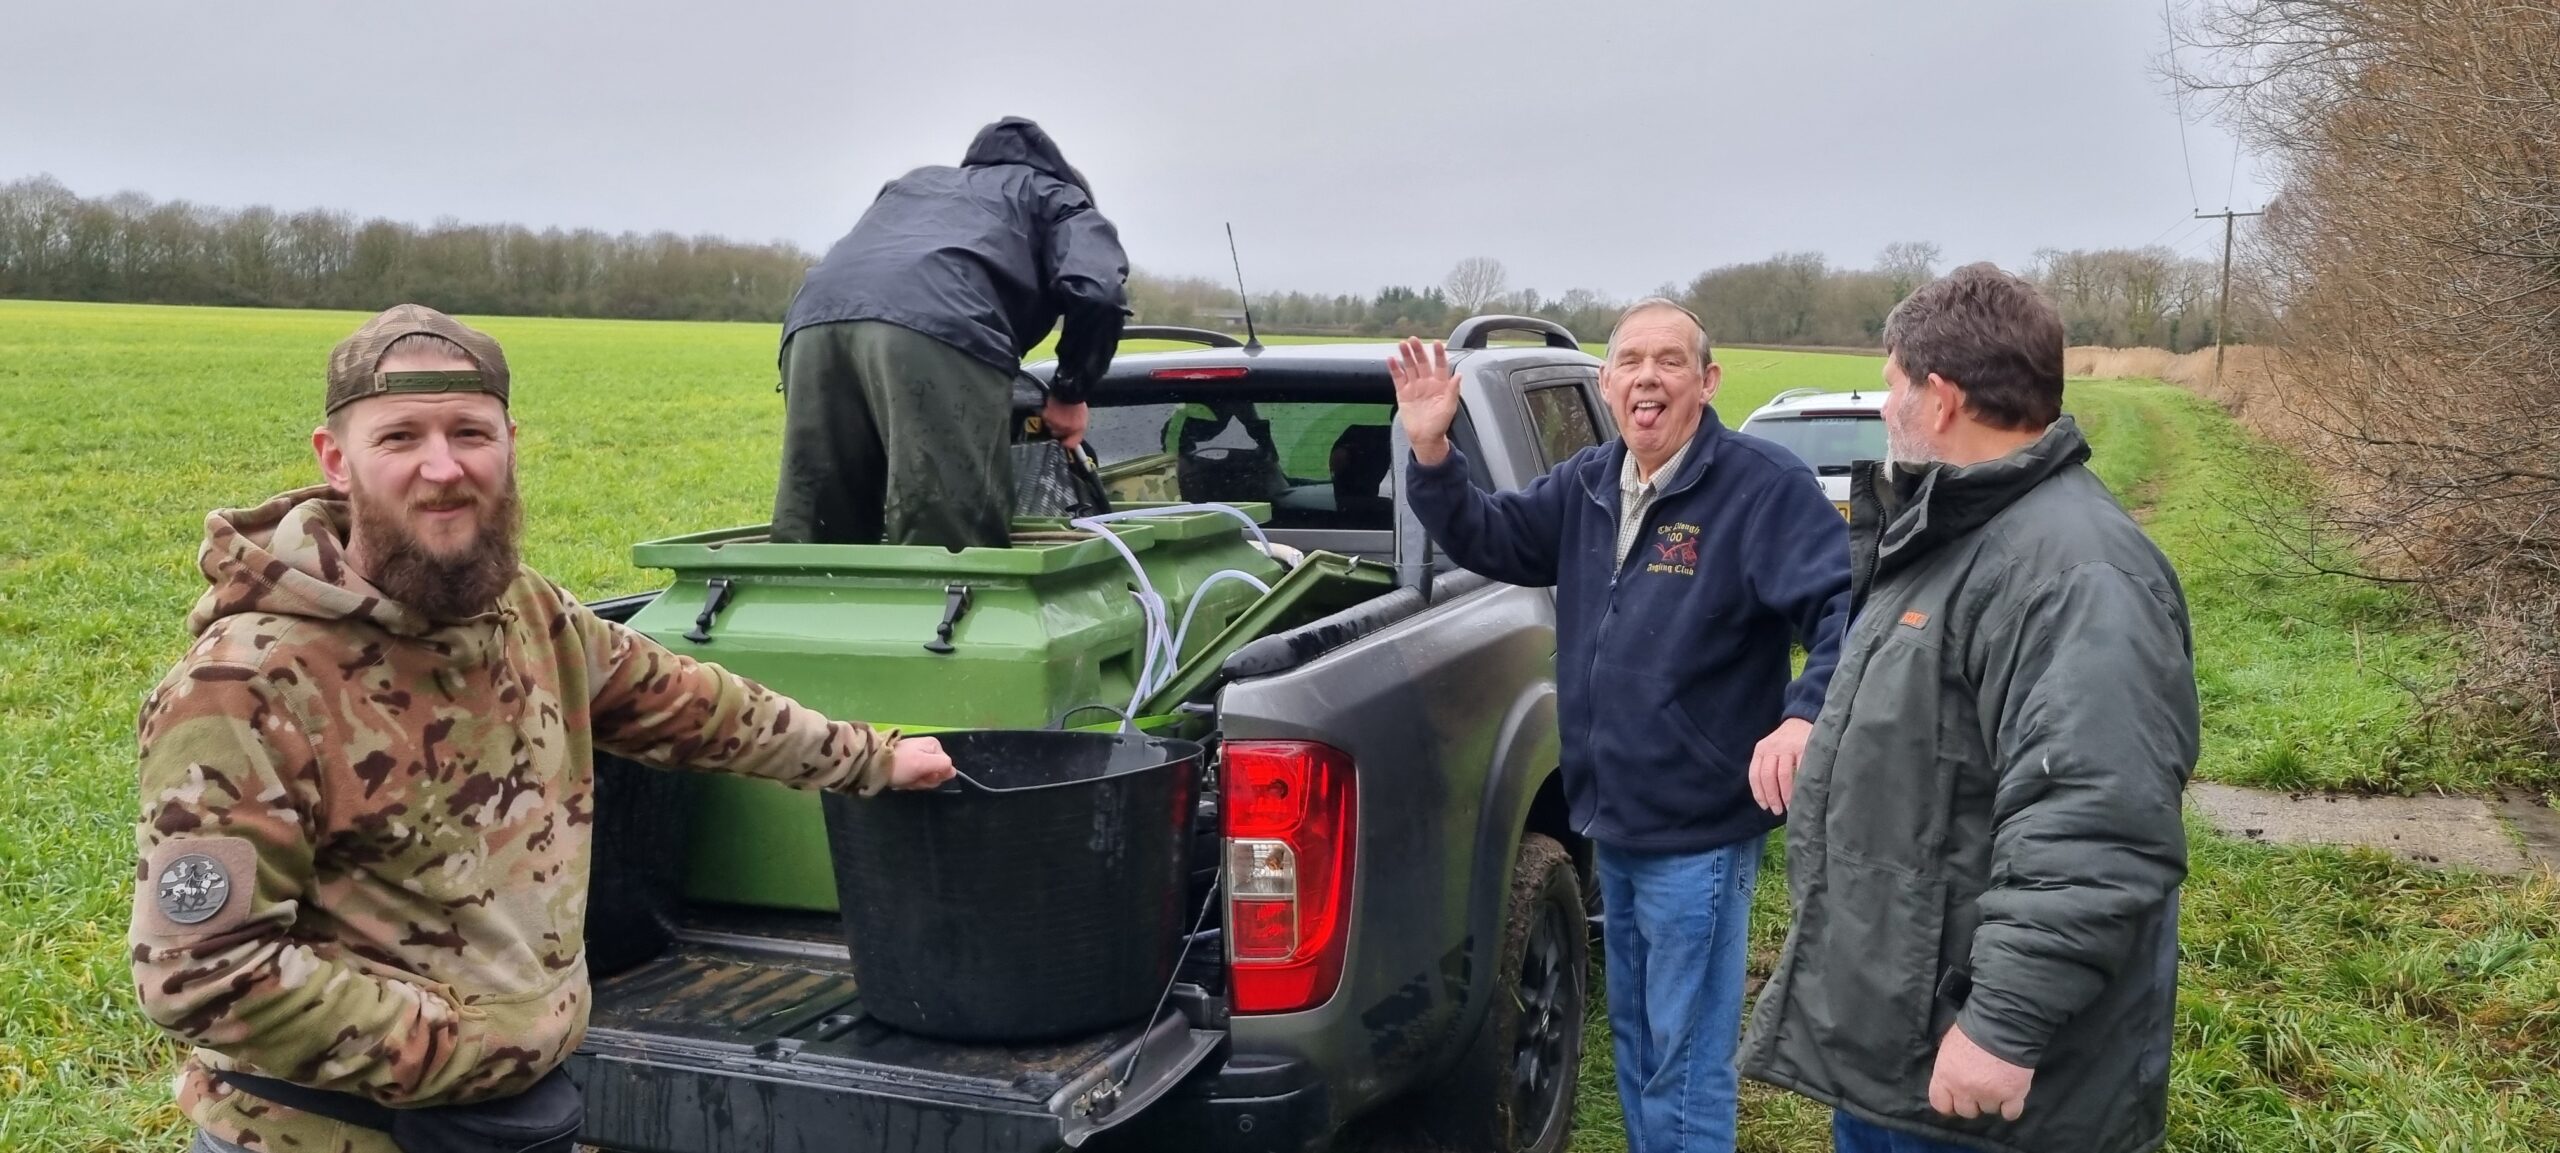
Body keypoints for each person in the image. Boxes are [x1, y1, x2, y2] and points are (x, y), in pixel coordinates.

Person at [130, 304, 957, 1153]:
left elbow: (700, 707)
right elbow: (200, 972)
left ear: (511, 442)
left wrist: (873, 759)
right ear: (335, 459)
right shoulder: (246, 684)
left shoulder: (528, 614)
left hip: (506, 1122)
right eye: (401, 438)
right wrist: (472, 1045)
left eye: (470, 433)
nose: (443, 468)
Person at [1738, 264, 2200, 1153]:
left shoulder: (2075, 575)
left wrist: (2002, 1027)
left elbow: (2097, 824)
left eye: (1892, 384)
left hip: (1981, 1087)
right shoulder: (1957, 537)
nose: (1885, 408)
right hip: (1907, 1046)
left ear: (1940, 397)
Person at [1391, 299, 1853, 1153]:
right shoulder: (1590, 482)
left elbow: (1842, 606)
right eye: (1630, 360)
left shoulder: (1759, 488)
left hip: (1701, 829)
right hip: (1616, 818)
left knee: (1683, 1062)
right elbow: (1490, 535)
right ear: (1605, 385)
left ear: (1707, 381)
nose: (1648, 377)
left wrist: (1805, 715)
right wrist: (1431, 450)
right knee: (1640, 1043)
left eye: (1670, 360)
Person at [772, 116, 1130, 548]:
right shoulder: (1059, 198)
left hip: (813, 323)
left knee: (817, 532)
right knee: (949, 544)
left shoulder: (914, 186)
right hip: (939, 327)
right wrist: (1071, 393)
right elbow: (1099, 291)